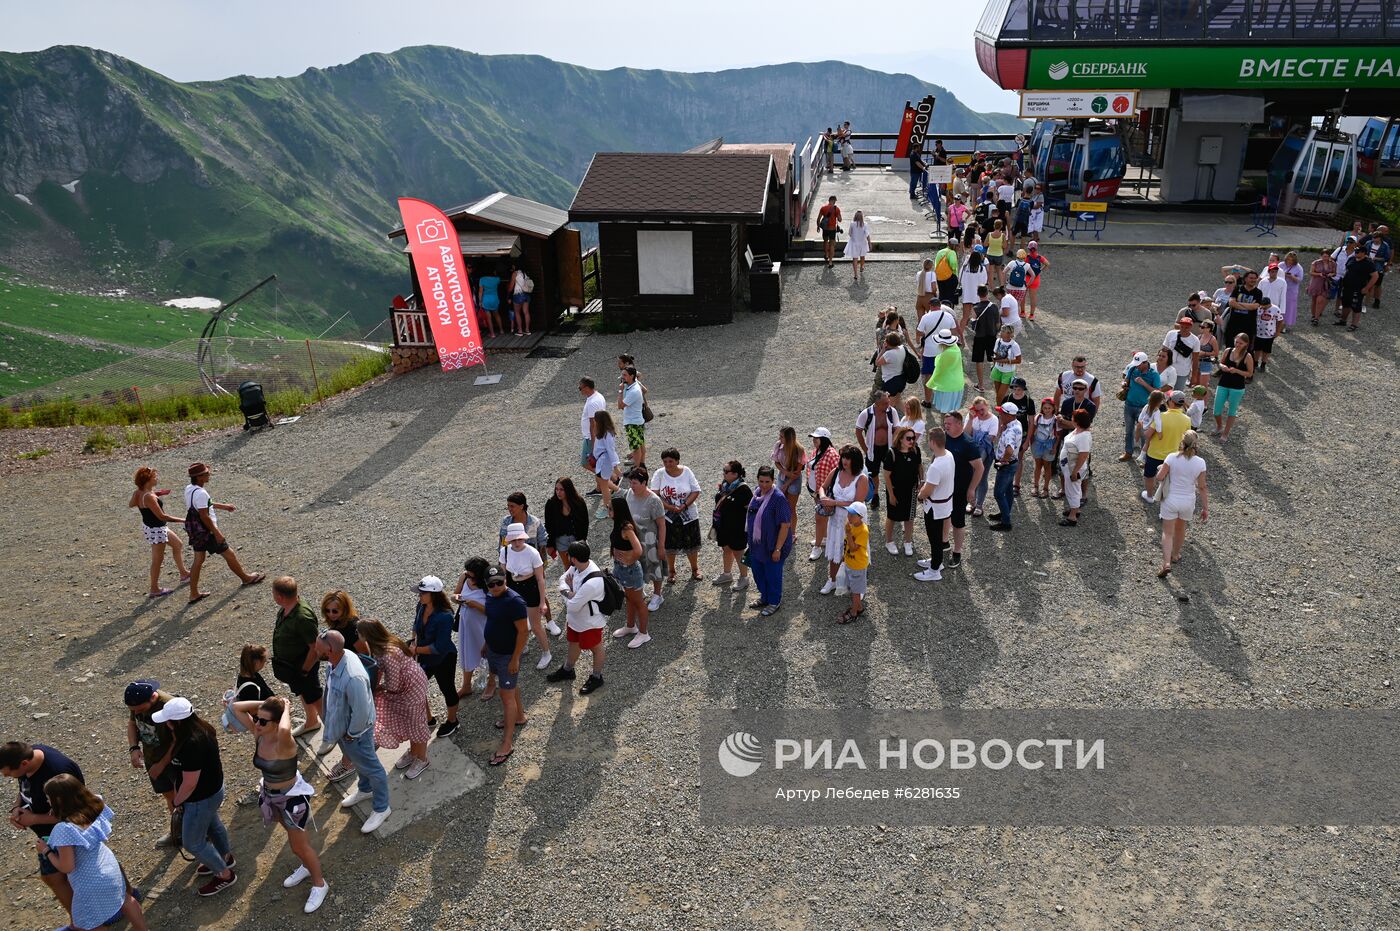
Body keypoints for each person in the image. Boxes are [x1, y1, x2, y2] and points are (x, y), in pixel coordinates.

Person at [226, 695, 327, 912]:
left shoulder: (284, 742)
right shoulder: (259, 734)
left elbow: (283, 729)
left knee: (299, 844)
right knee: (294, 841)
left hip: (292, 799)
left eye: (263, 721)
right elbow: (236, 708)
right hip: (272, 797)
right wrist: (264, 707)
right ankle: (306, 867)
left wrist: (286, 708)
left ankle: (320, 883)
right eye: (257, 719)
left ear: (277, 721)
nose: (257, 724)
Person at [37, 775, 149, 931]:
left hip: (90, 881)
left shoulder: (64, 829)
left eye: (49, 798)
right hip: (110, 868)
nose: (47, 801)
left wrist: (46, 850)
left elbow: (67, 866)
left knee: (87, 924)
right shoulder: (95, 805)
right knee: (125, 899)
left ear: (59, 800)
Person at [156, 698, 237, 896]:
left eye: (168, 721)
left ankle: (224, 874)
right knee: (213, 824)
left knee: (193, 842)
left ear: (176, 723)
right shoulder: (203, 729)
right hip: (213, 792)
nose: (166, 724)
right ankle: (224, 857)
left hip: (200, 799)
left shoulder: (190, 744)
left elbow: (190, 783)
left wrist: (177, 801)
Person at [319, 631, 392, 832]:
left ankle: (381, 807)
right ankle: (365, 789)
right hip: (344, 729)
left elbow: (361, 710)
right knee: (360, 763)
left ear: (331, 650)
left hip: (355, 732)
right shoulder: (336, 660)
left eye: (320, 648)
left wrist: (352, 733)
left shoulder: (353, 677)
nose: (316, 650)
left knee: (372, 767)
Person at [2, 740, 85, 915]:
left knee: (59, 876)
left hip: (66, 834)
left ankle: (82, 922)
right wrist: (17, 806)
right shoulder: (27, 758)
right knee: (56, 877)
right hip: (49, 835)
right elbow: (24, 788)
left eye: (10, 774)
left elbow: (74, 813)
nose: (6, 777)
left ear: (24, 763)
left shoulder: (57, 772)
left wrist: (34, 819)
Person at [357, 619, 432, 779]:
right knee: (410, 722)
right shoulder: (383, 645)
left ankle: (422, 758)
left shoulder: (387, 653)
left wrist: (377, 689)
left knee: (416, 723)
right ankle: (414, 752)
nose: (357, 635)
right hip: (409, 685)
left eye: (359, 632)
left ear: (367, 635)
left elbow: (392, 685)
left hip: (411, 689)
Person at [183, 462, 263, 604]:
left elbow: (204, 504)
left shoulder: (190, 489)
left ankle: (193, 593)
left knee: (198, 560)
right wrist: (217, 532)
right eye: (206, 473)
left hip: (196, 532)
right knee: (229, 554)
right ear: (199, 477)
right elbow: (204, 515)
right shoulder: (201, 493)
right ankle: (245, 578)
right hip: (208, 531)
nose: (209, 474)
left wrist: (224, 506)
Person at [482, 570, 529, 766]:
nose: (495, 588)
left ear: (506, 580)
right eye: (491, 584)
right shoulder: (491, 597)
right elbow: (492, 620)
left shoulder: (514, 602)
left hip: (507, 655)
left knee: (506, 696)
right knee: (509, 687)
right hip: (494, 650)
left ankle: (507, 744)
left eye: (499, 583)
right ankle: (519, 717)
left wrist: (515, 659)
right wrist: (487, 643)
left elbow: (523, 631)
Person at [548, 542, 608, 694]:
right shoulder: (578, 566)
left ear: (572, 558)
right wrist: (570, 593)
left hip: (589, 623)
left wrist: (567, 593)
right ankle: (568, 670)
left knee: (596, 647)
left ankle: (597, 677)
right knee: (573, 642)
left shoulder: (592, 582)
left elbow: (572, 605)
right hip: (576, 619)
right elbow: (562, 579)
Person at [123, 680, 178, 845]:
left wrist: (161, 764)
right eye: (133, 710)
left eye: (139, 709)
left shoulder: (168, 706)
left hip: (174, 760)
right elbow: (133, 724)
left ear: (153, 698)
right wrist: (134, 748)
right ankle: (178, 830)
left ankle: (198, 833)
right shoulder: (138, 702)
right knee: (169, 795)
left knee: (185, 797)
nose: (136, 712)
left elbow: (178, 741)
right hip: (153, 758)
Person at [270, 576, 323, 738]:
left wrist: (305, 671)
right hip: (294, 668)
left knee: (315, 698)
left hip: (304, 667)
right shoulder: (287, 608)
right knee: (303, 692)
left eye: (273, 593)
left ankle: (333, 733)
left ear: (280, 597)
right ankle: (312, 721)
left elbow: (315, 648)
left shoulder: (302, 617)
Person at [411, 576, 462, 734]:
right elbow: (415, 625)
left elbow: (439, 647)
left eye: (422, 593)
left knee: (447, 688)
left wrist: (415, 650)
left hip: (443, 658)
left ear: (433, 594)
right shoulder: (421, 605)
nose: (419, 595)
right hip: (424, 655)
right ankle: (428, 719)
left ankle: (453, 721)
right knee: (416, 686)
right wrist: (413, 642)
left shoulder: (445, 616)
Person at [499, 522, 553, 669]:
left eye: (519, 539)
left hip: (530, 587)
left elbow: (540, 579)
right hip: (513, 587)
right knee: (517, 621)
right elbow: (503, 574)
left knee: (535, 625)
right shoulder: (504, 551)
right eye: (513, 540)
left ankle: (546, 653)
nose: (517, 542)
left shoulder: (532, 553)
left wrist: (542, 602)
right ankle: (524, 645)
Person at [129, 467, 189, 598]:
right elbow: (162, 516)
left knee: (178, 545)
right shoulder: (149, 496)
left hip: (152, 528)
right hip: (157, 530)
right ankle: (154, 588)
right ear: (148, 479)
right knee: (157, 560)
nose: (157, 478)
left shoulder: (138, 493)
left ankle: (184, 573)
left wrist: (157, 494)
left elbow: (132, 504)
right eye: (155, 476)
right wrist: (183, 520)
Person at [1155, 431, 1209, 578]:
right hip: (1187, 500)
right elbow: (1202, 487)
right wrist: (1205, 508)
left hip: (1171, 499)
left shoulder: (1172, 458)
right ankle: (1176, 555)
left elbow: (1160, 477)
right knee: (1180, 529)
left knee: (1167, 532)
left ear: (1182, 442)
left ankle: (1166, 563)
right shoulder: (1200, 462)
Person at [818, 446, 869, 596]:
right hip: (835, 520)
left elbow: (857, 503)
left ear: (856, 461)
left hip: (853, 521)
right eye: (843, 457)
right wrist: (823, 497)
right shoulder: (836, 472)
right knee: (835, 549)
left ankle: (857, 586)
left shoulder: (862, 478)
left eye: (848, 458)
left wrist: (834, 503)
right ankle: (833, 580)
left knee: (854, 552)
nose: (845, 461)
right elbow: (822, 486)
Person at [744, 466, 793, 617]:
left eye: (767, 481)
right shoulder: (756, 494)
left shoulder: (778, 499)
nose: (763, 485)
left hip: (772, 546)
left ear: (773, 481)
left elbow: (785, 525)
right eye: (761, 481)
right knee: (758, 573)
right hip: (757, 545)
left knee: (773, 575)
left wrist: (778, 549)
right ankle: (764, 597)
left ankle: (774, 601)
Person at [652, 448, 703, 583]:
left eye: (671, 461)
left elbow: (696, 490)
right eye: (665, 461)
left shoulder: (687, 472)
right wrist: (669, 507)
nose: (668, 464)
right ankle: (671, 571)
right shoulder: (659, 474)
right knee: (670, 545)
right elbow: (655, 494)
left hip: (688, 514)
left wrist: (684, 505)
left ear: (677, 461)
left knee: (691, 543)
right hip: (667, 515)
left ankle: (695, 569)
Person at [911, 426, 955, 582]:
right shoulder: (949, 455)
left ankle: (935, 569)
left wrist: (920, 495)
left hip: (935, 508)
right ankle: (936, 561)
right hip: (945, 504)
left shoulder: (937, 466)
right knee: (937, 537)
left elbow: (927, 490)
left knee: (934, 538)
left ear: (932, 442)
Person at [941, 412, 984, 569]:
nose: (946, 426)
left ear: (959, 424)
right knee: (944, 515)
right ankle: (944, 542)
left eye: (949, 424)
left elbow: (979, 468)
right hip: (944, 488)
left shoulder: (968, 443)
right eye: (945, 424)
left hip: (960, 489)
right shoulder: (944, 437)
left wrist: (972, 489)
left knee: (958, 522)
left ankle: (957, 552)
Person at [623, 466, 668, 615]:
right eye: (631, 482)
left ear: (644, 483)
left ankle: (657, 595)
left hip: (650, 541)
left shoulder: (654, 500)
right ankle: (639, 591)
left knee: (655, 567)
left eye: (635, 483)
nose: (632, 486)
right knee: (637, 566)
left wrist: (661, 546)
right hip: (635, 540)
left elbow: (662, 525)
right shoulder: (630, 494)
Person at [607, 496, 650, 646]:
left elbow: (639, 550)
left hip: (630, 571)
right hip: (620, 569)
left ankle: (644, 633)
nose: (608, 511)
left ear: (618, 510)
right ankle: (631, 626)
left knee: (638, 602)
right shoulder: (617, 525)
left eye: (610, 508)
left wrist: (629, 559)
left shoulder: (626, 528)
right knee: (629, 599)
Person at [452, 557, 493, 703]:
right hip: (466, 625)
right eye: (467, 573)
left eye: (471, 574)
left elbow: (494, 611)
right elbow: (455, 594)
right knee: (466, 652)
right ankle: (466, 685)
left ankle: (491, 683)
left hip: (483, 626)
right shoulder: (464, 577)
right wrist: (456, 598)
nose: (468, 575)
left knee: (490, 654)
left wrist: (475, 605)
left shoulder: (489, 584)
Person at [1142, 393, 1192, 503]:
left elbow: (1148, 434)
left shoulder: (1160, 416)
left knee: (1149, 476)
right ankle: (1165, 502)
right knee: (1169, 480)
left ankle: (1150, 496)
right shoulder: (1187, 420)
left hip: (1155, 453)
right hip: (1174, 456)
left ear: (1170, 401)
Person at [711, 461, 753, 593]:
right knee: (726, 549)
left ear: (735, 474)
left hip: (737, 528)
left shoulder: (744, 490)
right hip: (723, 525)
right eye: (723, 470)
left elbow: (750, 510)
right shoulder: (725, 486)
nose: (723, 473)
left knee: (739, 552)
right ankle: (727, 574)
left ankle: (744, 577)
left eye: (726, 471)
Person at [882, 426, 921, 556]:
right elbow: (886, 475)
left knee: (909, 518)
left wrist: (921, 482)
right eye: (908, 438)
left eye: (913, 438)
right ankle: (889, 541)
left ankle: (908, 542)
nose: (912, 441)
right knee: (892, 517)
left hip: (911, 490)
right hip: (895, 490)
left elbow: (920, 466)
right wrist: (891, 495)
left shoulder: (916, 450)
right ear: (900, 439)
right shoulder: (891, 453)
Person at [855, 392, 897, 509]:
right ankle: (875, 495)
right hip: (873, 448)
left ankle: (891, 495)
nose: (887, 405)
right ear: (877, 403)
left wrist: (894, 447)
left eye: (888, 402)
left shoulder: (891, 412)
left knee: (892, 472)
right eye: (884, 404)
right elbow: (858, 431)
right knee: (873, 473)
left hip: (888, 448)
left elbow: (897, 429)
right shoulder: (866, 414)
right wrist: (865, 448)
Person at [805, 428, 840, 562]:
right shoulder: (818, 450)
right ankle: (823, 538)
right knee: (822, 518)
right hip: (816, 491)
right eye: (813, 438)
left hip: (825, 493)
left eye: (816, 438)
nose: (814, 440)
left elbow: (837, 474)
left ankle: (818, 547)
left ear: (824, 439)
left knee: (819, 518)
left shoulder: (832, 454)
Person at [1119, 352, 1162, 462]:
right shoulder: (1133, 369)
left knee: (1144, 433)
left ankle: (1145, 457)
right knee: (1128, 431)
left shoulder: (1154, 374)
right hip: (1129, 404)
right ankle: (1128, 452)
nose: (1137, 366)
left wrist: (1144, 383)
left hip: (1144, 408)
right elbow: (1125, 380)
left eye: (1139, 364)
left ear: (1145, 362)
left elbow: (1157, 392)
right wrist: (1124, 384)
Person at [1212, 332, 1255, 441]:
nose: (1237, 344)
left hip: (1237, 387)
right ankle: (1219, 426)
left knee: (1232, 411)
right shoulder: (1228, 351)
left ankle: (1225, 433)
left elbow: (1250, 373)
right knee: (1216, 410)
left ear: (1246, 344)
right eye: (1236, 342)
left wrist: (1236, 371)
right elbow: (1220, 363)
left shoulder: (1247, 356)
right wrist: (1223, 367)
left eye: (1240, 343)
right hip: (1223, 383)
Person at [988, 402, 1023, 531]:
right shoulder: (1016, 424)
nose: (999, 414)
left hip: (1007, 466)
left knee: (998, 493)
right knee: (1008, 490)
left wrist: (1002, 462)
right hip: (1013, 464)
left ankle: (1006, 522)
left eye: (1002, 412)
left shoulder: (1010, 432)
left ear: (1008, 415)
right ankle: (1005, 513)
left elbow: (1009, 450)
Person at [916, 301, 958, 407]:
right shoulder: (948, 316)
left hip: (930, 351)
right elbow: (954, 331)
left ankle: (928, 400)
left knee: (929, 376)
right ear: (940, 306)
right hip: (944, 350)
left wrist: (927, 332)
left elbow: (919, 332)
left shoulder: (926, 317)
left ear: (930, 306)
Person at [1058, 409, 1093, 527]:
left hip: (1074, 468)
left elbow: (1083, 455)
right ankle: (1075, 509)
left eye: (1073, 418)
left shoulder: (1083, 436)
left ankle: (1072, 517)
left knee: (1073, 490)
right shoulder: (1077, 431)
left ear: (1078, 422)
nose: (1071, 420)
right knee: (1072, 489)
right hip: (1068, 466)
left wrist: (1075, 471)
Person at [772, 426, 806, 544]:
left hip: (794, 480)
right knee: (780, 505)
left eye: (781, 436)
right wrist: (785, 472)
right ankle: (781, 531)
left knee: (791, 508)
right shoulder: (778, 445)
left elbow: (796, 473)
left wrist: (786, 484)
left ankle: (792, 533)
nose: (779, 438)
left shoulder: (799, 450)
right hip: (783, 475)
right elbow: (776, 462)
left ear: (788, 438)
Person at [544, 478, 589, 567]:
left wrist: (582, 540)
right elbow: (549, 525)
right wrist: (550, 544)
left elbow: (585, 522)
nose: (558, 492)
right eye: (556, 489)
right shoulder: (551, 503)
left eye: (561, 489)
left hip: (577, 538)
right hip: (561, 540)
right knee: (568, 566)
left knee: (581, 565)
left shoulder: (579, 502)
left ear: (568, 490)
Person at [837, 501, 870, 624]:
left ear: (860, 517)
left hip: (857, 566)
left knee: (856, 592)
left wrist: (849, 533)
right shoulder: (851, 524)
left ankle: (854, 612)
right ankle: (859, 607)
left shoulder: (863, 530)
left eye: (852, 515)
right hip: (850, 562)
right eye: (848, 514)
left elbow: (853, 547)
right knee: (853, 588)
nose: (849, 517)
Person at [967, 396, 999, 516]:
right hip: (973, 449)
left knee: (981, 477)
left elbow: (991, 438)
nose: (980, 412)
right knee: (972, 477)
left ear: (987, 406)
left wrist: (975, 438)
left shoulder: (994, 419)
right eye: (977, 410)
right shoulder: (972, 417)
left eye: (982, 409)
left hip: (985, 449)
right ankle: (971, 502)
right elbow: (966, 432)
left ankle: (979, 505)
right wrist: (970, 419)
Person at [1335, 245, 1378, 331]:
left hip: (1358, 288)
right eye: (1356, 251)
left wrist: (1366, 288)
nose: (1356, 253)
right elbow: (1347, 270)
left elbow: (1375, 276)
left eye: (1358, 252)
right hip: (1347, 286)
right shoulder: (1352, 259)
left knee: (1356, 306)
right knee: (1345, 303)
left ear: (1363, 253)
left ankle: (1354, 324)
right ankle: (1343, 320)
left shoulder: (1368, 263)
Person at [589, 410, 622, 519]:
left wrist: (615, 467)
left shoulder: (607, 434)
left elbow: (611, 450)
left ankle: (608, 508)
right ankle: (619, 491)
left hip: (605, 461)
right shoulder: (603, 432)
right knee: (601, 481)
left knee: (603, 486)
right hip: (601, 461)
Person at [964, 286, 998, 391]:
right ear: (987, 293)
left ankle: (981, 385)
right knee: (994, 359)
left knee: (979, 361)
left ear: (978, 295)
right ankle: (997, 382)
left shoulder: (975, 308)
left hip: (979, 337)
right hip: (992, 336)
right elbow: (998, 323)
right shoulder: (994, 306)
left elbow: (973, 324)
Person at [577, 377, 607, 490]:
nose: (579, 390)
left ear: (586, 387)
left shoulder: (592, 403)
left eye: (580, 387)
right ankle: (599, 487)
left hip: (591, 438)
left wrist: (594, 444)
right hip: (596, 436)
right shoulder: (597, 397)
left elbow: (593, 424)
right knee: (596, 463)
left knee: (586, 463)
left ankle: (610, 480)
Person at [1223, 270, 1262, 348]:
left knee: (1246, 349)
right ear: (1245, 279)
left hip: (1249, 326)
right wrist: (1248, 306)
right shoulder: (1238, 288)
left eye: (1255, 278)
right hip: (1234, 324)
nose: (1253, 280)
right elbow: (1231, 303)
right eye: (1251, 278)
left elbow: (1255, 306)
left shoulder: (1258, 292)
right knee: (1230, 346)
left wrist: (1238, 303)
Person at [1030, 398, 1058, 498]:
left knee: (1047, 466)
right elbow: (1032, 430)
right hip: (1037, 443)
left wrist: (1055, 447)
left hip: (1049, 445)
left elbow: (1058, 435)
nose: (1047, 410)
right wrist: (1031, 442)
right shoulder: (1038, 418)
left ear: (1053, 408)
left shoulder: (1056, 420)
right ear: (1042, 408)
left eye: (1049, 408)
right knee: (1037, 465)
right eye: (1045, 408)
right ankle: (1035, 486)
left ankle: (1045, 488)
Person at [1162, 317, 1200, 392]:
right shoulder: (1171, 334)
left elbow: (1195, 360)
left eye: (1187, 327)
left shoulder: (1195, 340)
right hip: (1168, 368)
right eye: (1182, 327)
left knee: (1177, 393)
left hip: (1182, 371)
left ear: (1191, 327)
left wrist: (1194, 376)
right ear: (1179, 325)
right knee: (1164, 391)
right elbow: (1163, 351)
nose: (1184, 329)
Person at [989, 324, 1022, 405]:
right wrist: (995, 359)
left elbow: (1019, 360)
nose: (1001, 332)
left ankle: (1000, 412)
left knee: (1000, 395)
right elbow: (996, 353)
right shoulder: (998, 341)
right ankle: (1000, 408)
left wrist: (1006, 361)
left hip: (1008, 372)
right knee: (998, 394)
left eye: (1004, 331)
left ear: (1009, 334)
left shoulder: (1014, 345)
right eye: (1001, 330)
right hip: (997, 369)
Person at [1308, 246, 1336, 325]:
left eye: (1327, 256)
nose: (1325, 258)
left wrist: (1331, 274)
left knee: (1320, 301)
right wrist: (1319, 274)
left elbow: (1335, 273)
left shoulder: (1333, 263)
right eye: (1324, 256)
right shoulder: (1315, 263)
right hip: (1316, 283)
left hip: (1326, 284)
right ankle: (1313, 316)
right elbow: (1311, 272)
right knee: (1314, 300)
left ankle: (1316, 318)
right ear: (1321, 256)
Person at [875, 331, 908, 397]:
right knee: (897, 401)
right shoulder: (902, 348)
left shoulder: (889, 354)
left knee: (889, 403)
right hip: (901, 379)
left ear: (888, 343)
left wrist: (883, 350)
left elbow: (877, 363)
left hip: (891, 381)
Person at [1254, 297, 1282, 372]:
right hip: (1258, 333)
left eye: (1264, 306)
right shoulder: (1258, 308)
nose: (1262, 307)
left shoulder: (1275, 309)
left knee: (1266, 351)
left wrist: (1278, 331)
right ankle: (1255, 363)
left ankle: (1263, 364)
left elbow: (1280, 320)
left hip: (1269, 334)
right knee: (1257, 349)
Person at [844, 210, 872, 282]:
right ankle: (862, 266)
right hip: (862, 242)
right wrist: (869, 243)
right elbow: (867, 235)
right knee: (862, 256)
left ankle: (855, 274)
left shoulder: (852, 224)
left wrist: (854, 236)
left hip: (854, 243)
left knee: (855, 258)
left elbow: (849, 233)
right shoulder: (865, 224)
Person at [1004, 249, 1032, 318]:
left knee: (1010, 303)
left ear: (1017, 256)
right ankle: (1016, 318)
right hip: (1021, 288)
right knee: (1017, 305)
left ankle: (1009, 317)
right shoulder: (1027, 265)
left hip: (1010, 287)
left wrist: (1005, 281)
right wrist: (1028, 284)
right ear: (1025, 257)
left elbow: (1004, 272)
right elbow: (1033, 275)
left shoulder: (1012, 263)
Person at [1024, 240, 1049, 319]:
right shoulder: (1040, 257)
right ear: (1036, 248)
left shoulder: (1027, 257)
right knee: (1033, 297)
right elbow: (1047, 264)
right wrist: (1040, 270)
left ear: (1029, 248)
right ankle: (1031, 315)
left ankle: (1022, 312)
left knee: (1023, 296)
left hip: (1027, 278)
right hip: (1035, 279)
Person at [1281, 251, 1304, 331]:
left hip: (1291, 290)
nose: (1289, 261)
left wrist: (1292, 277)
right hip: (1280, 288)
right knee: (1279, 305)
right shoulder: (1281, 265)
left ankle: (1284, 325)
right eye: (1288, 259)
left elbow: (1300, 280)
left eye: (1291, 260)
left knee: (1288, 307)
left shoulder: (1298, 267)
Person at [477, 269, 504, 336]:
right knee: (497, 315)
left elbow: (480, 291)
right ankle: (501, 330)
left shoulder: (482, 279)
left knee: (489, 317)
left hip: (486, 299)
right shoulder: (497, 279)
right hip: (495, 298)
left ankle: (492, 334)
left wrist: (480, 301)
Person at [933, 238, 960, 306]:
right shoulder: (952, 252)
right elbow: (953, 265)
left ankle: (941, 309)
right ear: (954, 246)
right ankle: (949, 312)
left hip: (940, 277)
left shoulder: (940, 252)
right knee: (950, 297)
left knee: (942, 295)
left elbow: (936, 264)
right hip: (950, 277)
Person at [817, 196, 841, 268]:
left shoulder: (823, 208)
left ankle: (826, 255)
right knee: (832, 245)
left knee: (825, 241)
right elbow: (840, 219)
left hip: (825, 229)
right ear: (834, 201)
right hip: (832, 229)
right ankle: (830, 262)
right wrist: (836, 217)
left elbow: (818, 219)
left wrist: (818, 226)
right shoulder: (836, 209)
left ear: (829, 200)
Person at [509, 263, 532, 336]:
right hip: (526, 294)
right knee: (526, 312)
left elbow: (511, 287)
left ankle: (520, 331)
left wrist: (508, 292)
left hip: (518, 294)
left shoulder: (515, 273)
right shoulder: (525, 273)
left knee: (517, 312)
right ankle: (527, 330)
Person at [1195, 320, 1219, 387]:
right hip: (1197, 362)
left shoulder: (1212, 339)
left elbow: (1216, 353)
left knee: (1203, 386)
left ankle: (1204, 397)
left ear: (1209, 329)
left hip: (1206, 363)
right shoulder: (1199, 336)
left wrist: (1204, 353)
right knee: (1196, 384)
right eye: (1200, 326)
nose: (1200, 328)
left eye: (1203, 327)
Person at [986, 220, 1006, 287]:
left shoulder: (989, 234)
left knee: (991, 272)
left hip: (990, 254)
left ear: (994, 226)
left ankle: (991, 287)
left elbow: (985, 244)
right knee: (999, 271)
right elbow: (1004, 246)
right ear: (1001, 226)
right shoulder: (1002, 235)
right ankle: (1002, 286)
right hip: (999, 254)